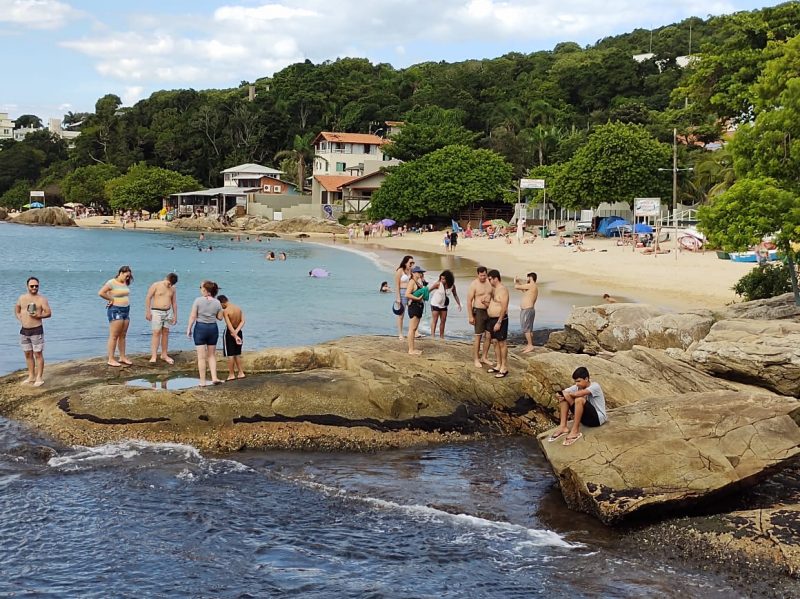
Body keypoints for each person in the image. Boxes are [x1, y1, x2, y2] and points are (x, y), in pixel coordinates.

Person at [548, 366, 607, 446]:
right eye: (576, 382)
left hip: (597, 419)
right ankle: (563, 427)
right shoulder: (577, 386)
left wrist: (567, 394)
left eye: (579, 381)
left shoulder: (595, 386)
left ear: (586, 379)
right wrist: (560, 395)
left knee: (579, 399)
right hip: (585, 419)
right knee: (563, 398)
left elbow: (579, 394)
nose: (577, 384)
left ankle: (575, 431)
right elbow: (564, 392)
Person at [14, 277, 52, 386]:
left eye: (36, 286)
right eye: (32, 286)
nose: (34, 288)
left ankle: (39, 377)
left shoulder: (42, 299)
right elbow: (17, 308)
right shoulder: (22, 298)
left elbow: (49, 313)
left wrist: (39, 315)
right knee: (27, 354)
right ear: (27, 287)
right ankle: (31, 376)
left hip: (36, 330)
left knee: (38, 354)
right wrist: (19, 317)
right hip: (24, 331)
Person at [186, 280, 224, 386]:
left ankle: (202, 381)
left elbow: (193, 316)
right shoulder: (217, 302)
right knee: (211, 355)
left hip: (200, 328)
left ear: (205, 290)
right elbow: (220, 318)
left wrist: (189, 328)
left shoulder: (198, 300)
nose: (200, 289)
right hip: (212, 328)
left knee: (201, 357)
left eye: (201, 288)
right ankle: (214, 377)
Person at [98, 266, 134, 367]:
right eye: (126, 276)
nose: (127, 278)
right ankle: (111, 359)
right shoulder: (111, 282)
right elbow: (101, 293)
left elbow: (124, 294)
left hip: (126, 310)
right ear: (121, 273)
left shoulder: (125, 283)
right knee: (114, 335)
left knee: (123, 335)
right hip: (115, 310)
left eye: (129, 277)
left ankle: (122, 357)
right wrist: (111, 299)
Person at [145, 273, 179, 365]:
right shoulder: (156, 285)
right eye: (168, 283)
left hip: (168, 312)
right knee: (156, 332)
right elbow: (148, 297)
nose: (169, 285)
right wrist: (148, 312)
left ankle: (164, 354)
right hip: (156, 311)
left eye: (171, 284)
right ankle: (154, 355)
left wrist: (175, 316)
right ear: (166, 278)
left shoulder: (173, 288)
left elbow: (174, 302)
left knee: (166, 332)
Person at [485, 269, 510, 378]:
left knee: (502, 343)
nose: (489, 281)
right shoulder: (494, 290)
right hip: (492, 319)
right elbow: (494, 303)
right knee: (494, 341)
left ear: (495, 278)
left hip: (500, 319)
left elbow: (504, 307)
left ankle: (504, 367)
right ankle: (498, 364)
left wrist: (499, 322)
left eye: (490, 279)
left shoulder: (503, 290)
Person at [466, 266, 492, 368]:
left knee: (489, 335)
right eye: (481, 276)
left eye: (484, 275)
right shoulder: (474, 284)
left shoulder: (489, 282)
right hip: (478, 311)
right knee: (478, 336)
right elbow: (469, 301)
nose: (483, 277)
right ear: (477, 275)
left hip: (489, 310)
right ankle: (476, 359)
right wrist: (470, 316)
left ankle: (484, 357)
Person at [218, 295, 246, 380]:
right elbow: (243, 321)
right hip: (239, 332)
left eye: (220, 305)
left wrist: (234, 334)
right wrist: (237, 332)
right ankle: (241, 373)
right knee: (237, 353)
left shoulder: (225, 311)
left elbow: (229, 325)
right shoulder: (238, 308)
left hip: (229, 333)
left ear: (222, 303)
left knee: (230, 354)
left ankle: (231, 374)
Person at [429, 270, 461, 339]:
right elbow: (429, 290)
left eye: (443, 279)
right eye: (441, 278)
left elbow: (455, 295)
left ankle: (441, 336)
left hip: (444, 305)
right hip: (435, 303)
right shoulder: (438, 284)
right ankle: (432, 336)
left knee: (443, 320)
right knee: (435, 320)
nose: (442, 280)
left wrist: (459, 304)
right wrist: (422, 298)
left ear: (448, 279)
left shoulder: (452, 286)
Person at [405, 266, 427, 355]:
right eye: (418, 272)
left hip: (418, 306)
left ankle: (412, 348)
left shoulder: (417, 282)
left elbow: (425, 288)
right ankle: (411, 350)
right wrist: (417, 298)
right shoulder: (412, 282)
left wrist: (423, 278)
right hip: (414, 306)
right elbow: (407, 294)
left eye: (421, 272)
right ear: (413, 273)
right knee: (412, 329)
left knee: (414, 328)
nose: (420, 274)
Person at [514, 272, 538, 353]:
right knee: (529, 329)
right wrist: (518, 282)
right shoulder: (532, 287)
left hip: (527, 309)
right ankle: (529, 345)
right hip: (528, 309)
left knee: (526, 328)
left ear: (530, 278)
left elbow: (517, 287)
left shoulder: (532, 285)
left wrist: (515, 281)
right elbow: (523, 289)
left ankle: (530, 345)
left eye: (527, 278)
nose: (526, 279)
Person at [394, 255, 415, 340]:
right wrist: (398, 297)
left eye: (412, 263)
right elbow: (397, 285)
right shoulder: (400, 270)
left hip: (410, 293)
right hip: (402, 292)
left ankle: (414, 332)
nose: (411, 264)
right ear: (405, 262)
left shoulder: (411, 271)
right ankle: (400, 334)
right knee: (401, 315)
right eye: (410, 262)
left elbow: (414, 281)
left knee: (412, 313)